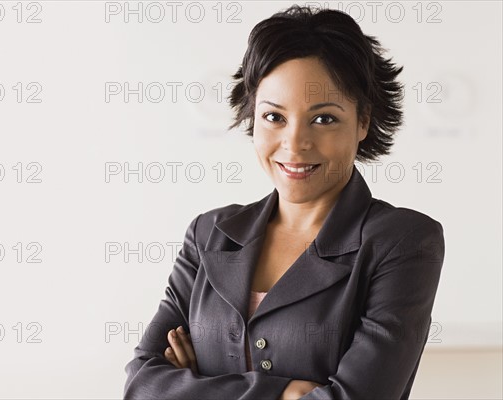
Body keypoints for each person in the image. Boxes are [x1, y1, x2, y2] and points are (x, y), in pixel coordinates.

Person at [123, 4, 445, 399]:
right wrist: (285, 392)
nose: (294, 145)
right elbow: (141, 383)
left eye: (323, 119)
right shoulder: (209, 233)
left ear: (363, 121)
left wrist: (196, 385)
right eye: (274, 117)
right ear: (252, 116)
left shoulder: (403, 241)